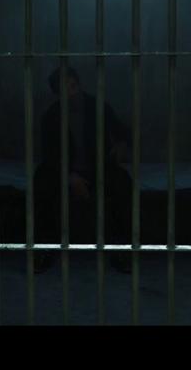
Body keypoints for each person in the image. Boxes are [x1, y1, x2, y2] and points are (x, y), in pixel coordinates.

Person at [34, 67, 132, 273]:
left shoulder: (97, 106)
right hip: (65, 170)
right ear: (58, 94)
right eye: (65, 89)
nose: (72, 92)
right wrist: (69, 176)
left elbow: (122, 130)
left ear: (79, 84)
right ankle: (44, 248)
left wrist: (122, 143)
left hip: (98, 167)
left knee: (122, 182)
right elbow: (49, 155)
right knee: (41, 182)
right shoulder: (51, 117)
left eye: (73, 86)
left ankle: (121, 249)